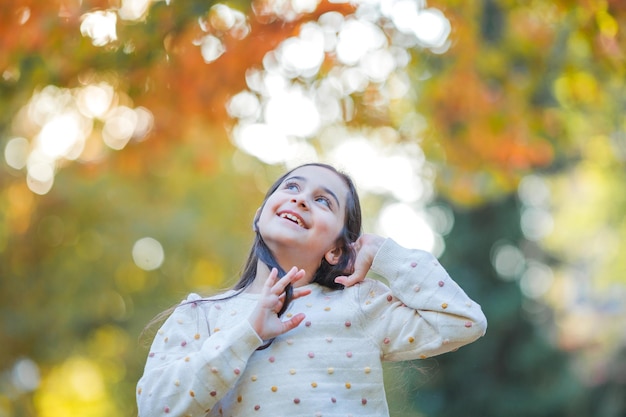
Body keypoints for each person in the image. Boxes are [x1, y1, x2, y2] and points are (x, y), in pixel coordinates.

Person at [136, 163, 487, 417]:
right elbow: (156, 407)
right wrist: (247, 334)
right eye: (292, 187)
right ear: (260, 215)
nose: (301, 199)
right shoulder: (201, 316)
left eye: (324, 201)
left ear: (336, 249)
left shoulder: (359, 304)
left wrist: (384, 253)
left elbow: (464, 321)